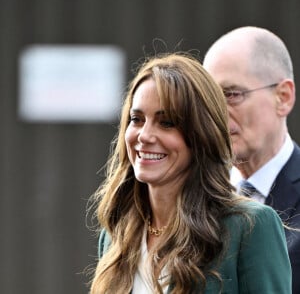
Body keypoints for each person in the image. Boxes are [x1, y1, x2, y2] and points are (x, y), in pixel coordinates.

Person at [89, 52, 291, 294]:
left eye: (166, 123)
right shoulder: (115, 237)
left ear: (201, 134)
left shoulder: (250, 226)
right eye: (137, 119)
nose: (144, 136)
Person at [203, 26, 300, 293]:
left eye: (232, 95)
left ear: (283, 97)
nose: (217, 114)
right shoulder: (193, 196)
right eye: (209, 100)